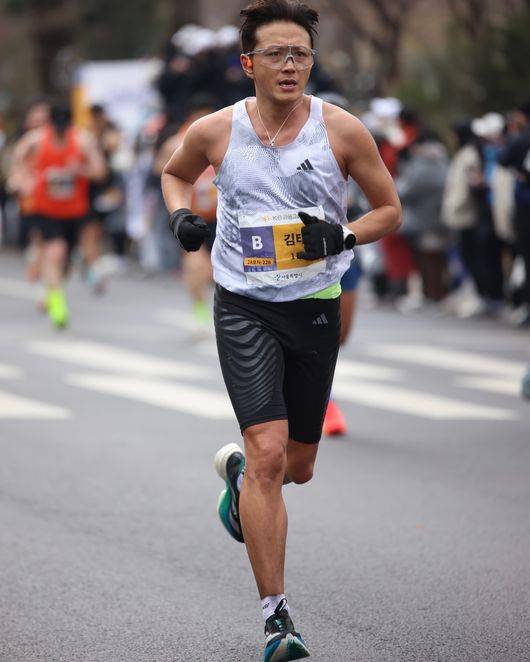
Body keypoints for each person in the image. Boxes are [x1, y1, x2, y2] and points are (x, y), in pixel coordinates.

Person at [161, 1, 401, 659]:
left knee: (298, 466)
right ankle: (278, 621)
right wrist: (180, 217)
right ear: (249, 64)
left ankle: (240, 482)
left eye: (301, 53)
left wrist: (344, 235)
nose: (291, 64)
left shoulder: (342, 130)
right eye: (276, 54)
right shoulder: (216, 130)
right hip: (243, 304)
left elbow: (389, 209)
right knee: (269, 453)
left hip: (315, 305)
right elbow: (175, 174)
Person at [10, 101, 106, 328]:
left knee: (65, 262)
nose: (60, 132)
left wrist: (79, 170)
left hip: (74, 211)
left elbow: (100, 171)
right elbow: (17, 163)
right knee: (55, 252)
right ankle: (57, 305)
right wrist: (22, 181)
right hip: (45, 209)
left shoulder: (83, 141)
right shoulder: (34, 141)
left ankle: (53, 290)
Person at [155, 95, 219, 325]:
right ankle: (200, 308)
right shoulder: (176, 143)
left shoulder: (223, 138)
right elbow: (162, 171)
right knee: (197, 263)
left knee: (217, 268)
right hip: (191, 214)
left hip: (221, 215)